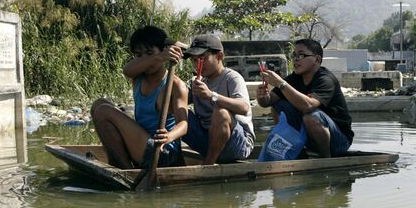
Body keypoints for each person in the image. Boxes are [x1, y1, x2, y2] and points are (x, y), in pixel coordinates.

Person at [91, 25, 189, 169]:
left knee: (103, 110)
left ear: (164, 51)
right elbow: (127, 70)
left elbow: (184, 125)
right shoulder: (138, 76)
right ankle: (123, 166)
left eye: (150, 53)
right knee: (98, 104)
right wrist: (157, 57)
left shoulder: (174, 85)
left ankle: (126, 172)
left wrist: (169, 136)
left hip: (163, 152)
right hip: (140, 145)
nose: (145, 60)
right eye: (139, 55)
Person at [256, 38, 353, 158]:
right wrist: (262, 96)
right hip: (309, 136)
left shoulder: (326, 79)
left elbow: (308, 106)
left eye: (301, 55)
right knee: (278, 107)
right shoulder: (294, 78)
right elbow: (269, 101)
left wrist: (280, 83)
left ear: (317, 59)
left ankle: (325, 160)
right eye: (294, 55)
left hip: (338, 141)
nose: (296, 59)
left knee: (311, 117)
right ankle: (297, 150)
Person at [182, 34, 255, 165]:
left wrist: (211, 95)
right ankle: (171, 157)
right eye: (194, 60)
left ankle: (208, 164)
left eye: (203, 59)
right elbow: (174, 99)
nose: (197, 65)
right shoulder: (196, 82)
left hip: (237, 144)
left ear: (219, 56)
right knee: (177, 110)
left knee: (221, 113)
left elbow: (244, 108)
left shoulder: (231, 78)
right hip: (208, 141)